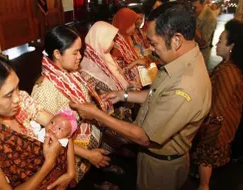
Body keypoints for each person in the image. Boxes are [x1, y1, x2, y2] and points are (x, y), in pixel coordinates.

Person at [70, 2, 212, 190]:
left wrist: (96, 115)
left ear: (176, 40)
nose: (151, 49)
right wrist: (124, 95)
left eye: (154, 43)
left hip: (160, 167)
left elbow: (144, 137)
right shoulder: (182, 63)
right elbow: (157, 95)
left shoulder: (185, 86)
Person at [0, 54, 74, 190]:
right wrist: (48, 163)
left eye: (17, 87)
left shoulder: (22, 102)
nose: (17, 98)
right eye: (8, 95)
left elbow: (64, 126)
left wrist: (70, 172)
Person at [31, 25, 110, 183]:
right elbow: (51, 137)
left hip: (85, 140)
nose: (80, 56)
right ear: (57, 54)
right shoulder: (45, 89)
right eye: (75, 52)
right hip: (70, 153)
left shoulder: (71, 73)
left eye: (80, 51)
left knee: (90, 173)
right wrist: (88, 155)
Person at [192, 20, 243, 190]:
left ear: (232, 46)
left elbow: (219, 108)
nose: (216, 43)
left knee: (206, 160)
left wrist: (209, 133)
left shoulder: (228, 71)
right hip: (223, 125)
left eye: (221, 40)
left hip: (218, 127)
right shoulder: (230, 67)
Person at [111, 8, 151, 88]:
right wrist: (136, 62)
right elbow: (118, 73)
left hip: (137, 82)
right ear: (124, 23)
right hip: (126, 87)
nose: (134, 27)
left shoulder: (126, 38)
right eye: (131, 24)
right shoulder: (115, 43)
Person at [191, 0, 217, 64]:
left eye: (195, 8)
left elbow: (203, 42)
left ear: (203, 3)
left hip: (201, 53)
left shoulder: (210, 17)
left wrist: (191, 22)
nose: (192, 10)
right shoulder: (193, 12)